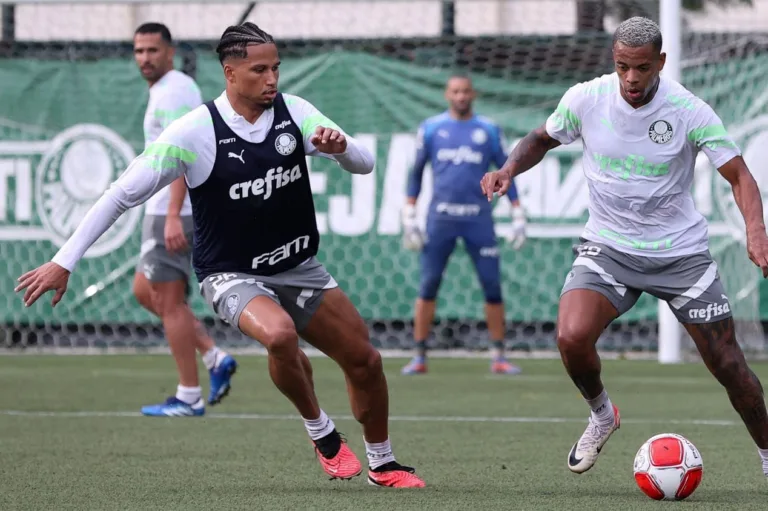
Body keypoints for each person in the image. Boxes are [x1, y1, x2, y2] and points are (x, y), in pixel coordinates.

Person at [16, 22, 425, 488]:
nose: (271, 79)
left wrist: (342, 149)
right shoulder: (193, 131)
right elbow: (119, 195)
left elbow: (364, 164)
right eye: (259, 70)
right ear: (230, 73)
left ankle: (383, 463)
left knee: (365, 361)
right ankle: (323, 433)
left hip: (298, 266)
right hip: (230, 274)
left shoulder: (296, 111)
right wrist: (64, 260)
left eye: (275, 68)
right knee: (279, 335)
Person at [481, 16, 768, 478]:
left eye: (641, 68)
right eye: (622, 67)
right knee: (571, 339)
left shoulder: (689, 110)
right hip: (608, 247)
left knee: (729, 364)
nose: (631, 79)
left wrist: (756, 230)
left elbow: (739, 175)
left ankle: (767, 454)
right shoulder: (586, 99)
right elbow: (540, 139)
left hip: (681, 256)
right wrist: (508, 170)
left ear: (660, 62)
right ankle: (602, 415)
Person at [131, 22, 237, 417]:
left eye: (152, 50)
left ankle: (189, 396)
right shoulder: (167, 89)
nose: (145, 58)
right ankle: (213, 356)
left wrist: (174, 213)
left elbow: (183, 155)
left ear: (170, 52)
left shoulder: (175, 89)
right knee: (145, 290)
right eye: (139, 51)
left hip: (172, 211)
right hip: (163, 209)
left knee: (169, 301)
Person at [401, 74, 526, 375]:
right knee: (428, 285)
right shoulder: (431, 129)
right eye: (455, 91)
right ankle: (419, 355)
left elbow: (506, 170)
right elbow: (416, 172)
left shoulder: (488, 130)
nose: (461, 96)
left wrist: (518, 211)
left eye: (466, 91)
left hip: (478, 219)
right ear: (447, 94)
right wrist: (409, 211)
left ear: (474, 94)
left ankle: (498, 355)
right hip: (440, 219)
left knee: (492, 285)